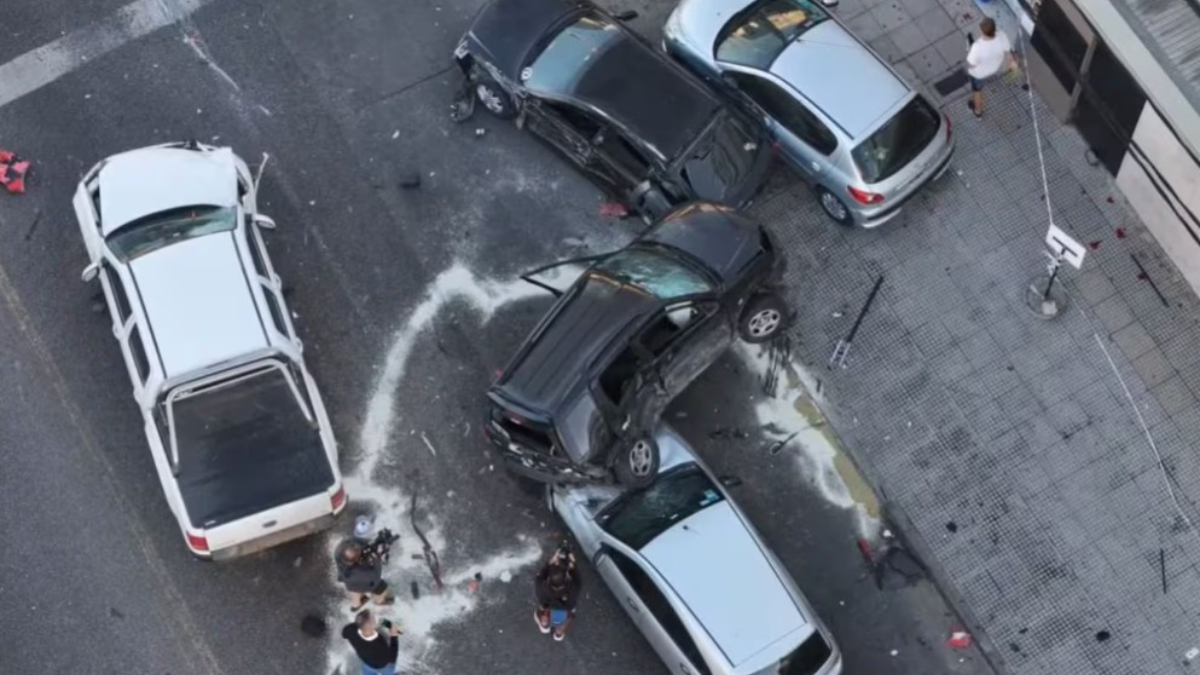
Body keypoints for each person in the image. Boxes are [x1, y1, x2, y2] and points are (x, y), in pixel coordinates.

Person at [964, 17, 1018, 119]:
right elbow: (1008, 52)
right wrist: (1013, 63)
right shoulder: (1001, 36)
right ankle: (978, 111)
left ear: (982, 31)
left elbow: (971, 63)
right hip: (994, 67)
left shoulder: (977, 46)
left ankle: (978, 112)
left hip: (978, 74)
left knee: (977, 91)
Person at [534, 544, 582, 641]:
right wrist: (572, 565)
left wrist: (573, 564)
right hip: (559, 605)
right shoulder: (543, 593)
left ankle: (554, 628)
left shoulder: (543, 593)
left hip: (563, 606)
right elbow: (539, 578)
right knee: (559, 616)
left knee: (561, 615)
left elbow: (578, 582)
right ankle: (556, 629)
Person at [335, 537, 392, 611]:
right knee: (381, 587)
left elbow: (354, 540)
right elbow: (376, 576)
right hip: (366, 583)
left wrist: (371, 543)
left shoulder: (339, 552)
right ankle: (379, 601)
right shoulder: (361, 573)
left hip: (348, 582)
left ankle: (356, 605)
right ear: (357, 560)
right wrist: (377, 557)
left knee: (354, 590)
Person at [341, 609, 401, 675]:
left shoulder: (352, 633)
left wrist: (385, 623)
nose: (375, 618)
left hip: (368, 665)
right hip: (383, 666)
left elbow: (344, 633)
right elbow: (392, 657)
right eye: (373, 619)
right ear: (371, 625)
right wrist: (394, 636)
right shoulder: (379, 644)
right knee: (389, 669)